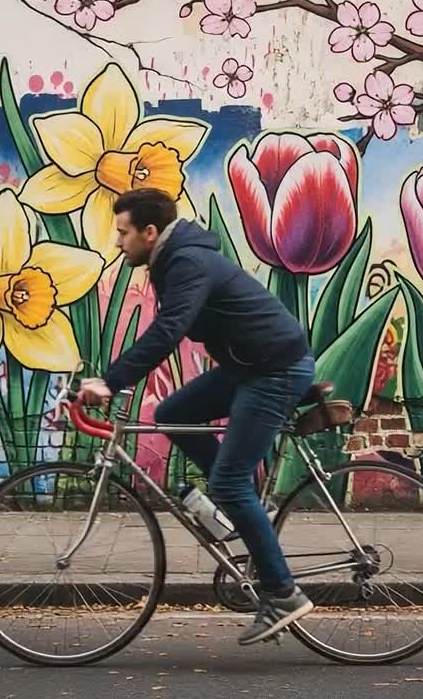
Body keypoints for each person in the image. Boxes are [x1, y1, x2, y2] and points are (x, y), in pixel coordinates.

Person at [76, 186, 317, 645]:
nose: (117, 242)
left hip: (276, 369)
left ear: (150, 232)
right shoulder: (173, 259)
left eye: (123, 233)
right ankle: (245, 509)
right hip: (250, 366)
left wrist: (112, 379)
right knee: (171, 413)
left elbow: (169, 330)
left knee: (226, 481)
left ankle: (284, 594)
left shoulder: (186, 262)